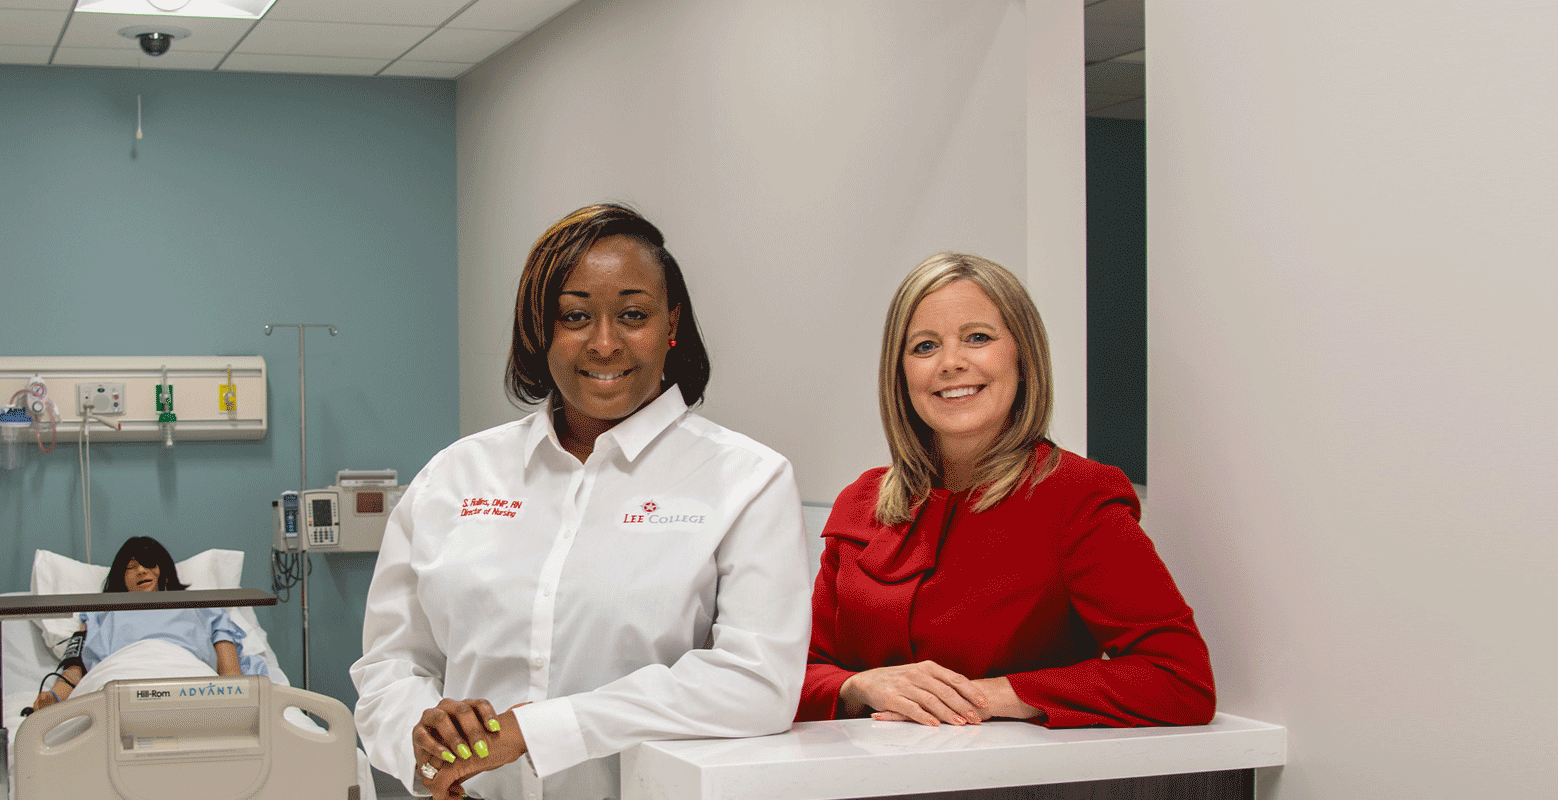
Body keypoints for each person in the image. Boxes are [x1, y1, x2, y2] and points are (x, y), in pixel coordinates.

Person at [351, 203, 811, 800]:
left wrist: (534, 730)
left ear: (671, 325)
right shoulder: (454, 477)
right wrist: (419, 741)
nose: (604, 343)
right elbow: (390, 667)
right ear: (540, 330)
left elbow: (756, 683)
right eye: (574, 316)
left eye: (633, 315)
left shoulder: (747, 480)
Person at [798, 253, 1215, 728]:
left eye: (978, 338)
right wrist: (860, 686)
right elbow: (795, 675)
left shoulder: (1078, 496)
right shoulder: (861, 501)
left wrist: (987, 696)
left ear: (1023, 356)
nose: (950, 363)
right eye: (924, 346)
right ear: (900, 373)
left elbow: (1179, 681)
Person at [29, 536, 266, 712]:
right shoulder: (99, 614)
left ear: (164, 569)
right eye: (130, 567)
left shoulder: (205, 608)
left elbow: (232, 676)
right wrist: (54, 698)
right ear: (121, 579)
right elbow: (74, 669)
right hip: (117, 682)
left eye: (148, 564)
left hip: (189, 681)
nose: (141, 570)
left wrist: (238, 706)